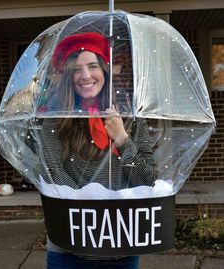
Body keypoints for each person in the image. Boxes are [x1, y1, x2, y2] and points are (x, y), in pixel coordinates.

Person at [40, 32, 157, 269]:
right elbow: (51, 171)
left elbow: (147, 182)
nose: (85, 76)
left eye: (93, 66)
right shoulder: (56, 116)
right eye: (76, 69)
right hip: (69, 244)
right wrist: (93, 214)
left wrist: (122, 139)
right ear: (68, 76)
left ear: (105, 69)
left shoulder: (131, 117)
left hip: (121, 245)